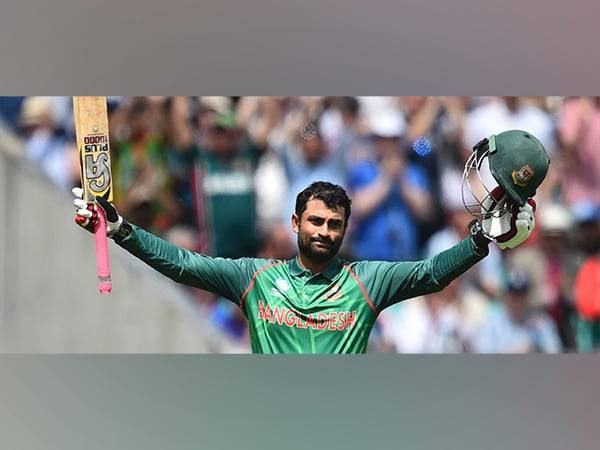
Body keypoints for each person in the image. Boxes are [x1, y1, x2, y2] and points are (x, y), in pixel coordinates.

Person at [73, 178, 536, 354]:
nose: (324, 231)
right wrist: (120, 229)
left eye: (335, 224)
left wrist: (479, 239)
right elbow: (183, 265)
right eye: (315, 220)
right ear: (295, 223)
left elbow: (432, 274)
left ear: (345, 230)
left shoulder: (368, 280)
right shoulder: (256, 277)